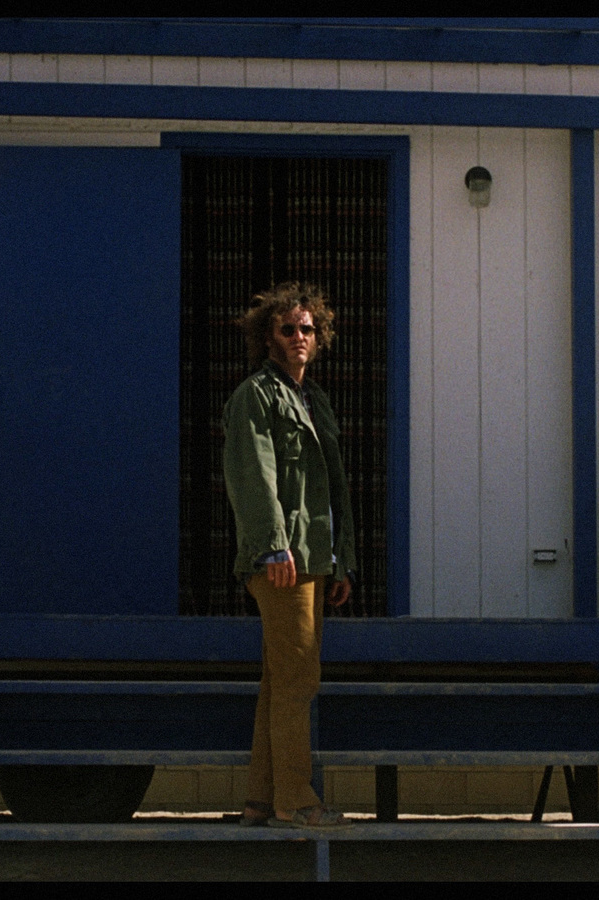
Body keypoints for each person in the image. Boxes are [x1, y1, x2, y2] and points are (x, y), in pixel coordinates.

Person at [223, 282, 357, 830]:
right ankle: (296, 802)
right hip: (283, 560)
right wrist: (272, 545)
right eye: (288, 329)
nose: (299, 337)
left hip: (313, 559)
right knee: (298, 680)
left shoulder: (313, 398)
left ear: (318, 335)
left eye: (307, 328)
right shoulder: (255, 395)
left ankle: (260, 800)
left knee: (280, 682)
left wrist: (340, 559)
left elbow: (334, 486)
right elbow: (253, 477)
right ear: (269, 337)